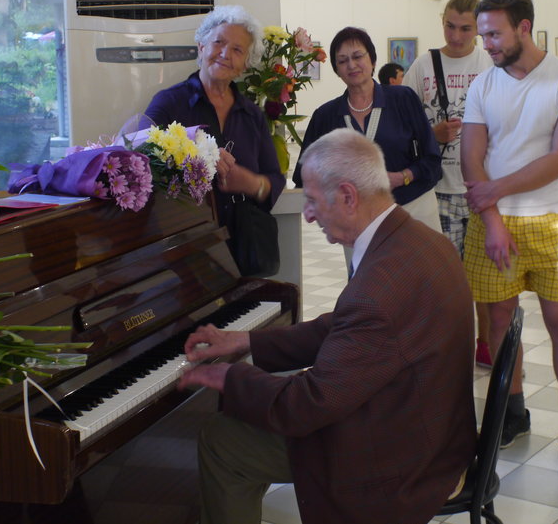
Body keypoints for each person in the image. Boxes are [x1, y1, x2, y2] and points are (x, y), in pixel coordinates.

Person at [180, 128, 476, 524]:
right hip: (433, 434)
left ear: (349, 196)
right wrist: (247, 340)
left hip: (400, 463)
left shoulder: (377, 291)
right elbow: (341, 327)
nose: (307, 214)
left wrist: (231, 378)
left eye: (313, 201)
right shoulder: (421, 240)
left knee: (223, 440)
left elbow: (307, 405)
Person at [461, 0, 558, 475]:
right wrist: (494, 220)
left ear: (524, 27)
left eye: (494, 34)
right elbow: (471, 158)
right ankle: (512, 413)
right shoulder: (483, 85)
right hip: (492, 224)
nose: (487, 44)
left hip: (553, 220)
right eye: (483, 35)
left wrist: (495, 190)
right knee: (499, 324)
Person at [143, 5, 284, 267]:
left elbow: (275, 178)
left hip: (243, 246)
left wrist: (252, 183)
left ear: (245, 65)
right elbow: (137, 154)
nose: (225, 54)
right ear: (201, 47)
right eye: (218, 42)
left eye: (237, 50)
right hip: (184, 247)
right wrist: (196, 156)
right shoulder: (169, 102)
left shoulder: (252, 115)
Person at [403, 0, 494, 368]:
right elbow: (403, 125)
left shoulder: (489, 64)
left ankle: (486, 343)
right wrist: (432, 134)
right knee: (443, 279)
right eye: (450, 26)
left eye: (465, 28)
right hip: (437, 189)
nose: (456, 36)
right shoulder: (423, 66)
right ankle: (447, 346)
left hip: (479, 188)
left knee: (485, 278)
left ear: (478, 29)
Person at [291, 27, 442, 233]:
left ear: (372, 60)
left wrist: (402, 177)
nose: (351, 65)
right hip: (358, 219)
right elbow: (303, 176)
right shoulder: (326, 116)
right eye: (342, 61)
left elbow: (432, 160)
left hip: (413, 208)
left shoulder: (403, 99)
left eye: (357, 56)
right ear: (336, 69)